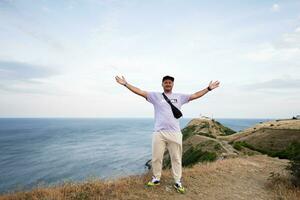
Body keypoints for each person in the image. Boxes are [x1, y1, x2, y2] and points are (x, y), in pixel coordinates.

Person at [115, 75, 220, 193]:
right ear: (162, 84)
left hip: (175, 133)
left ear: (173, 84)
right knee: (156, 158)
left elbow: (195, 95)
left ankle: (177, 181)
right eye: (166, 82)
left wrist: (208, 89)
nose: (168, 84)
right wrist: (125, 84)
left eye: (170, 82)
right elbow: (140, 91)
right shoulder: (155, 96)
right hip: (159, 133)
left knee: (176, 158)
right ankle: (156, 178)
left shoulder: (180, 97)